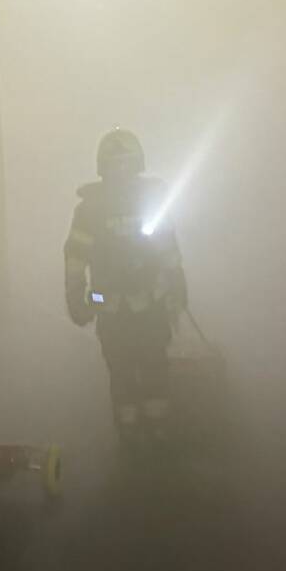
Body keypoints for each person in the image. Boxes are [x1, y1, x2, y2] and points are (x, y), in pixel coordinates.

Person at [63, 128, 188, 450]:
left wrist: (176, 284)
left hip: (150, 302)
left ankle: (156, 432)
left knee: (152, 368)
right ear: (103, 168)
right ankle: (134, 434)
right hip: (110, 302)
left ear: (137, 166)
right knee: (123, 372)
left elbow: (168, 248)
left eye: (125, 164)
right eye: (114, 165)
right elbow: (76, 258)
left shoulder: (149, 201)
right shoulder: (90, 210)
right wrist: (80, 300)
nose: (120, 172)